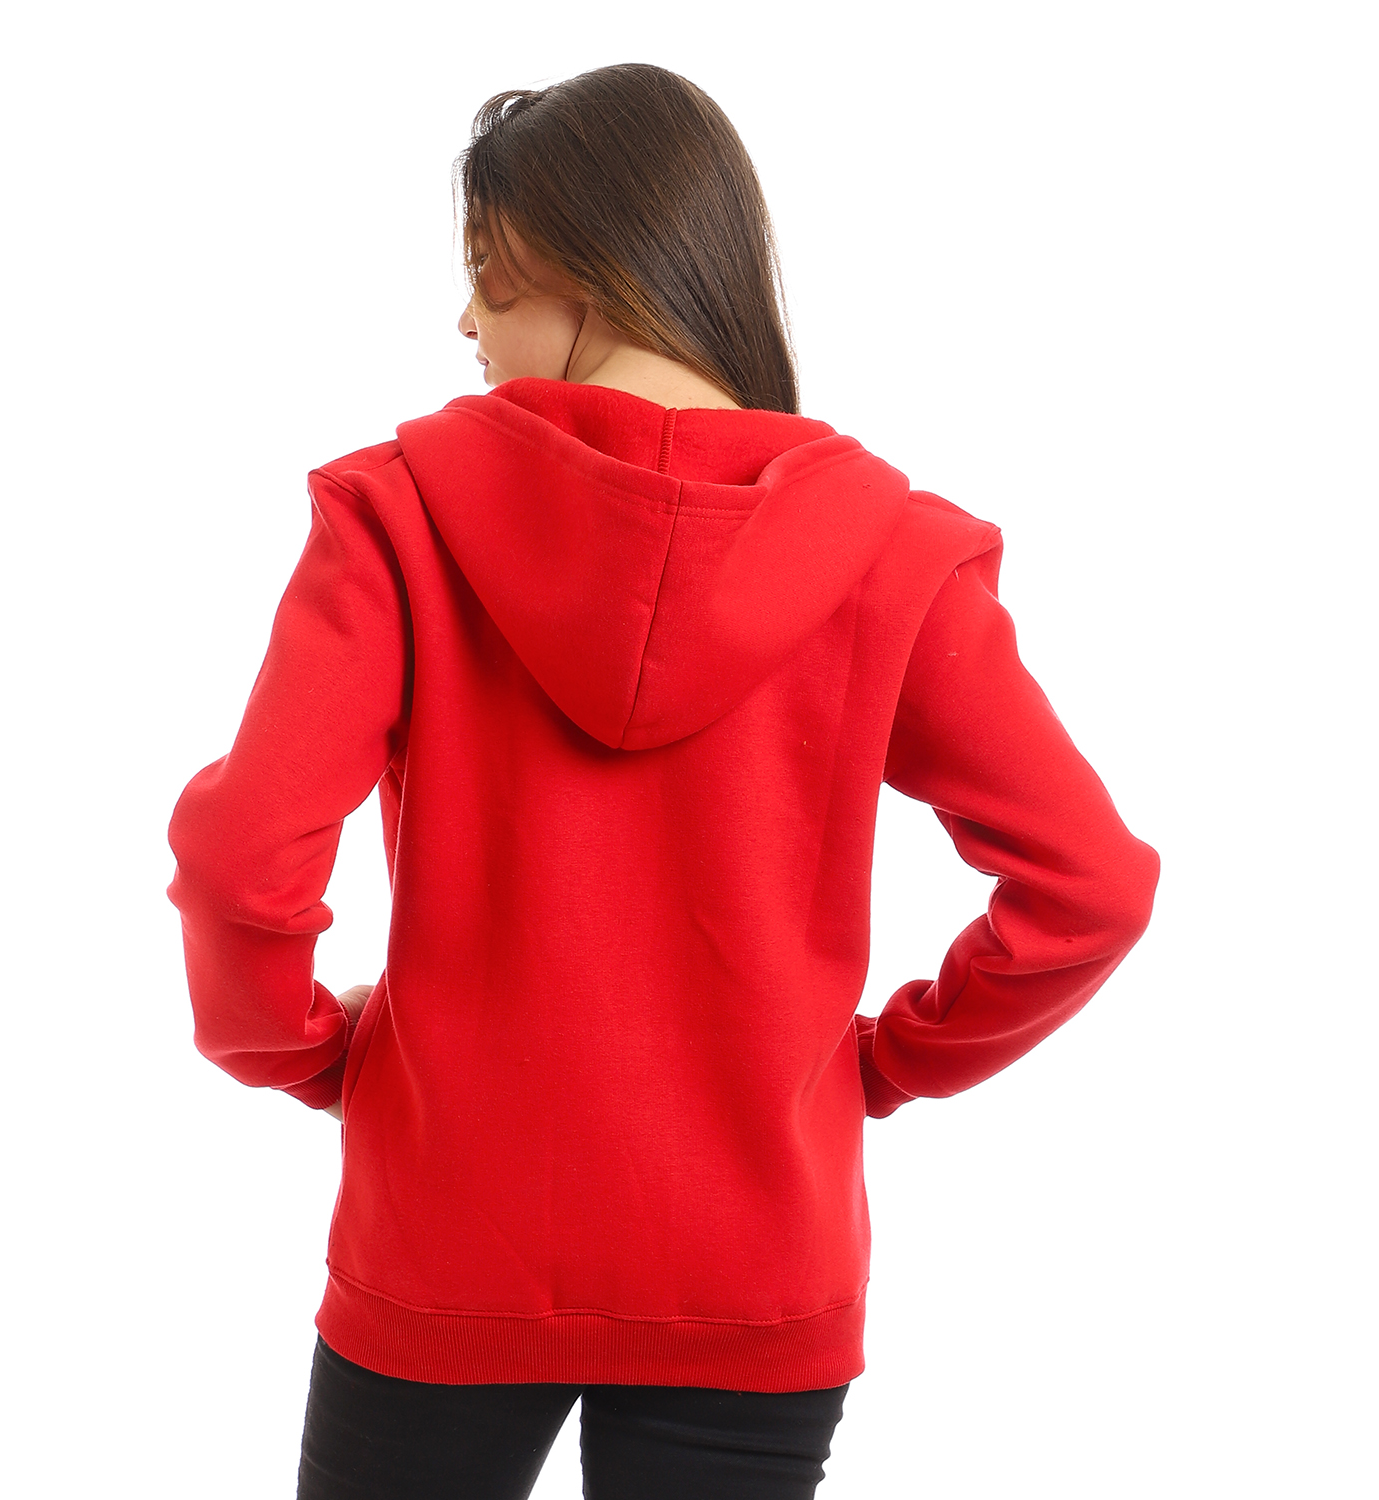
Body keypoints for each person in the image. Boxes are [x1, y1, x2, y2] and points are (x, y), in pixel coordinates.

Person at [165, 62, 1161, 1500]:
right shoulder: (892, 552)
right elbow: (1092, 885)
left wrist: (310, 1053)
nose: (465, 322)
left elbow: (242, 854)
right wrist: (881, 1068)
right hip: (757, 1264)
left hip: (445, 1235)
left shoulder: (397, 514)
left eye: (486, 274)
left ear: (583, 268)